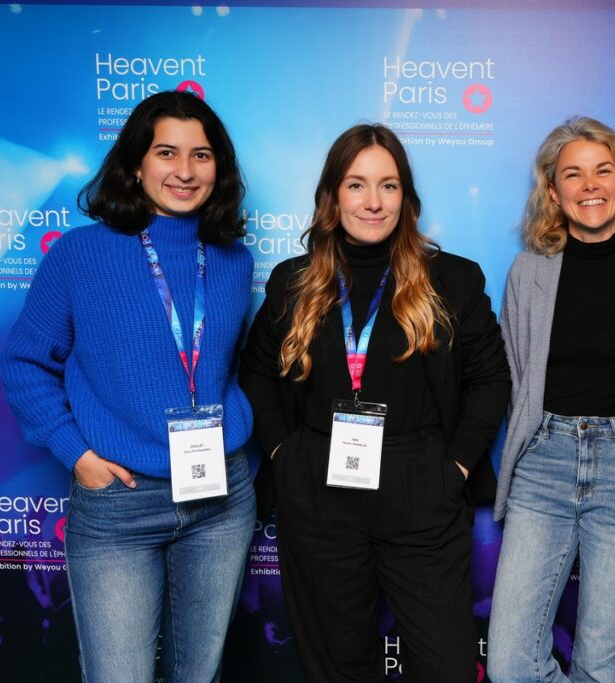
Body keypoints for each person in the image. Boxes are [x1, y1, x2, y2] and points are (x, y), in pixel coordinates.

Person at [0, 90, 256, 682]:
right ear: (136, 164)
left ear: (218, 168)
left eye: (201, 155)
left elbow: (223, 366)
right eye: (166, 152)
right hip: (120, 500)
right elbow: (24, 362)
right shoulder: (79, 255)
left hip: (220, 498)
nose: (185, 171)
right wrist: (77, 454)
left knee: (199, 675)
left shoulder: (232, 260)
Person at [239, 123, 510, 682]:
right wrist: (285, 453)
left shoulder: (452, 279)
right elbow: (257, 373)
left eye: (388, 185)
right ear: (332, 195)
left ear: (405, 197)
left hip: (421, 485)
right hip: (319, 490)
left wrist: (456, 466)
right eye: (356, 185)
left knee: (445, 667)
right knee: (339, 666)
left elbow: (490, 381)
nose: (373, 201)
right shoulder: (293, 282)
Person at [488, 117, 615, 682]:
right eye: (572, 174)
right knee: (508, 666)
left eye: (603, 171)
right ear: (553, 192)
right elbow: (510, 375)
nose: (590, 185)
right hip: (542, 467)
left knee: (601, 669)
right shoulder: (528, 272)